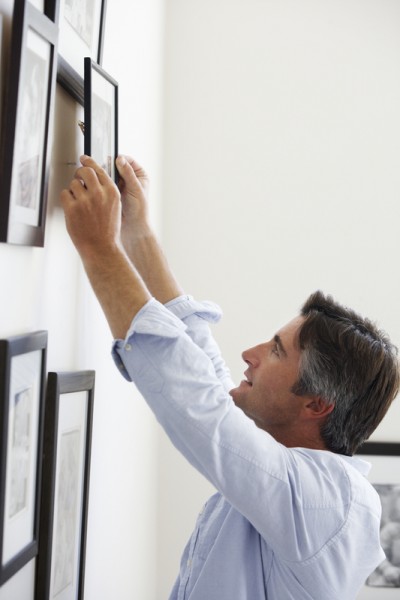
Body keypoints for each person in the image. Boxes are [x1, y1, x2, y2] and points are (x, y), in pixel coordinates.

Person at [61, 155, 400, 600]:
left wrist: (99, 250)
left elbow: (202, 409)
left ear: (316, 404)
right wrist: (136, 232)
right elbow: (209, 383)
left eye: (275, 352)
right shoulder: (287, 468)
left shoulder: (328, 502)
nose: (250, 354)